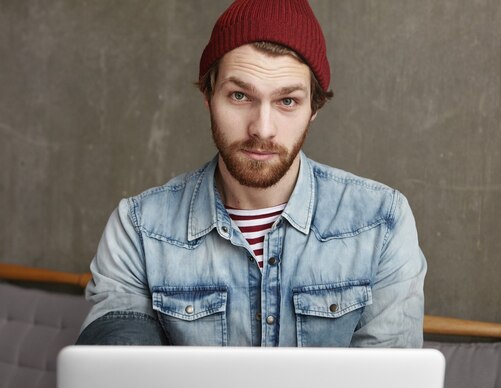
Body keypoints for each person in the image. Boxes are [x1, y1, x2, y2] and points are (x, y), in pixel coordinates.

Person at [78, 0, 427, 347]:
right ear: (208, 96)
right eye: (240, 95)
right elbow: (120, 380)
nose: (262, 129)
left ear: (313, 109)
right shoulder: (139, 229)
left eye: (287, 101)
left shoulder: (382, 222)